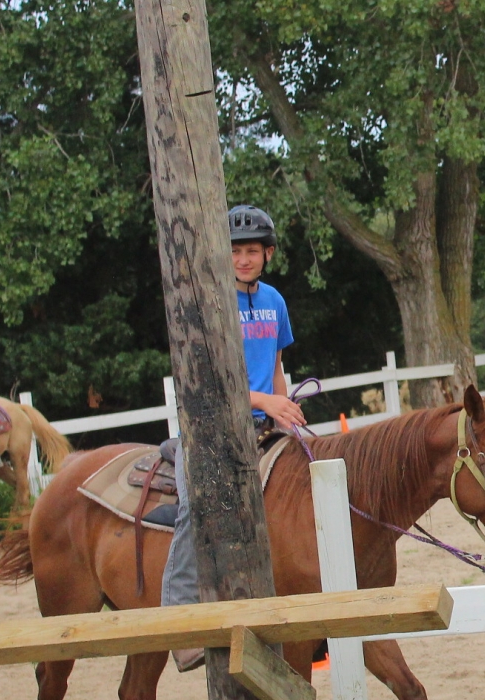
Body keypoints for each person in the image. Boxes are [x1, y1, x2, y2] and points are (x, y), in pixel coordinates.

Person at [163, 204, 307, 673]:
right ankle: (179, 622)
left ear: (266, 254)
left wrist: (287, 414)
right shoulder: (209, 301)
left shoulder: (276, 302)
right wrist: (265, 402)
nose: (243, 259)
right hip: (209, 425)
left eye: (251, 251)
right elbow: (208, 377)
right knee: (195, 505)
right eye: (234, 251)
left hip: (264, 423)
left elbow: (277, 366)